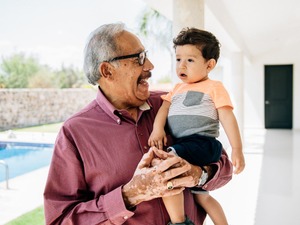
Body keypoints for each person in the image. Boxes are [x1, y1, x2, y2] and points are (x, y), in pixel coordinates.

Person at [43, 22, 233, 225]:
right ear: (107, 71)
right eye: (139, 58)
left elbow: (224, 166)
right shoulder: (75, 133)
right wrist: (131, 194)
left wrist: (199, 175)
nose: (150, 66)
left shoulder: (170, 104)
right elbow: (60, 220)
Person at [148, 27, 245, 225]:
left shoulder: (214, 87)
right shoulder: (176, 89)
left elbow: (227, 117)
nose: (182, 65)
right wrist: (158, 130)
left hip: (203, 143)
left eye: (190, 60)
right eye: (178, 59)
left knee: (167, 166)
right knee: (203, 197)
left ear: (209, 65)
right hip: (187, 144)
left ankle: (179, 222)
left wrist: (237, 149)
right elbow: (163, 111)